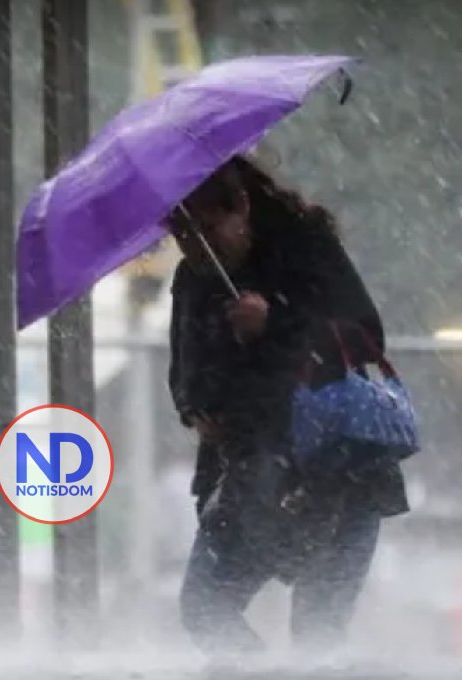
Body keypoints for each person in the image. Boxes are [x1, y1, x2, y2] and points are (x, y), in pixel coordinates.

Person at [166, 153, 410, 656]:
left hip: (335, 470)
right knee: (205, 607)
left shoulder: (305, 245)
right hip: (244, 469)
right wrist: (195, 408)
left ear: (241, 207)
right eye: (183, 234)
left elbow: (364, 335)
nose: (197, 247)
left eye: (208, 229)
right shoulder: (193, 280)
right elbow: (183, 367)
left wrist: (274, 321)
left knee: (317, 633)